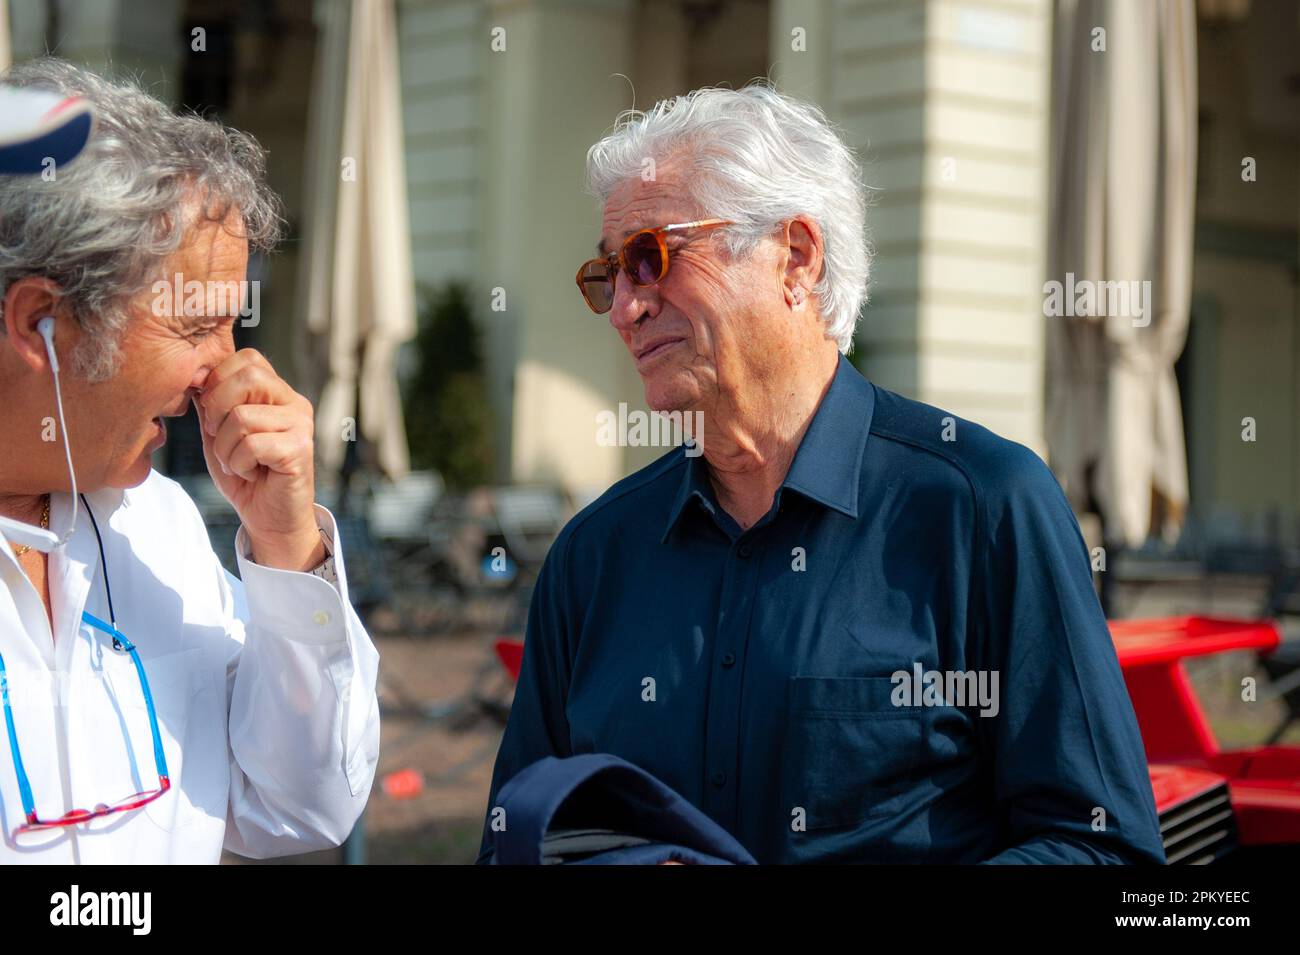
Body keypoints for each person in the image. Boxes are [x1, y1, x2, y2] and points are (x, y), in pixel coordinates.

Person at [479, 84, 1165, 864]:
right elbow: (520, 835)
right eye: (610, 275)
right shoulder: (593, 554)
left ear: (796, 258)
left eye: (651, 256)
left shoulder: (984, 506)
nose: (624, 307)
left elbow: (1103, 846)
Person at [0, 59, 380, 863]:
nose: (228, 368)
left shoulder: (160, 524)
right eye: (195, 325)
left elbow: (299, 807)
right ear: (41, 320)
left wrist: (287, 550)